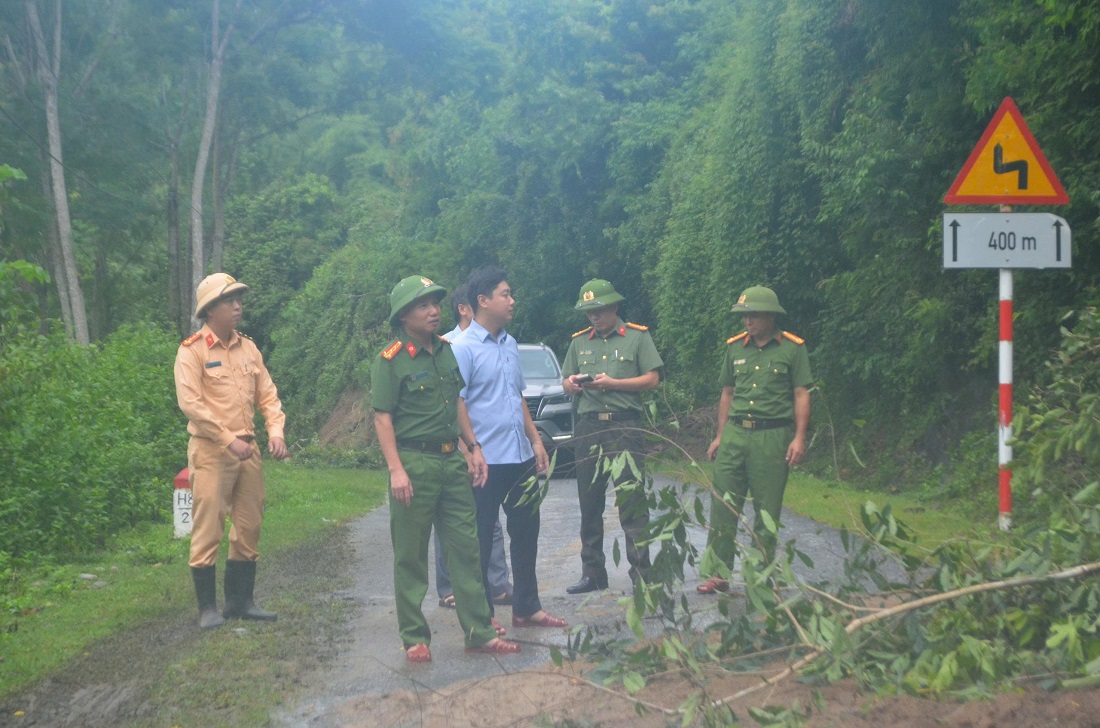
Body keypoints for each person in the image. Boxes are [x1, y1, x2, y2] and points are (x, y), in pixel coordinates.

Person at [371, 275, 519, 662]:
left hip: (451, 460)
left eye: (436, 303)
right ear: (404, 315)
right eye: (423, 305)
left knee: (467, 549)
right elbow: (383, 418)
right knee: (411, 554)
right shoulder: (391, 360)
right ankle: (415, 637)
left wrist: (473, 448)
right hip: (413, 463)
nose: (434, 310)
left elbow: (456, 403)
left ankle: (479, 631)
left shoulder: (446, 351)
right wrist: (396, 470)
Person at [452, 266, 567, 629]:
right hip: (485, 460)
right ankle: (481, 617)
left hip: (517, 455)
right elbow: (455, 404)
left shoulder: (510, 343)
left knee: (526, 533)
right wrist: (470, 450)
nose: (512, 300)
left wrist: (535, 441)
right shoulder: (462, 348)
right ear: (482, 301)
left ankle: (526, 608)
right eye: (505, 294)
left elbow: (517, 397)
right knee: (480, 540)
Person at [174, 273, 290, 629]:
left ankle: (241, 602)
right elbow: (191, 404)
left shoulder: (249, 348)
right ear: (210, 310)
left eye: (239, 299)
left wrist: (275, 430)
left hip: (249, 451)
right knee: (208, 527)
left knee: (249, 525)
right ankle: (207, 608)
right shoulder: (192, 350)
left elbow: (267, 394)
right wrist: (228, 440)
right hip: (212, 450)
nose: (238, 306)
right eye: (229, 301)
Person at [697, 286, 811, 594]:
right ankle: (719, 575)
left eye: (755, 315)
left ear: (771, 316)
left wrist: (799, 438)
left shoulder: (793, 348)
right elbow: (727, 393)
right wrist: (720, 436)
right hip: (735, 433)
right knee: (723, 505)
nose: (748, 321)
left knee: (766, 509)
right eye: (745, 316)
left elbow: (801, 394)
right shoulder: (735, 348)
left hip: (773, 435)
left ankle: (760, 577)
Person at [560, 279, 664, 594]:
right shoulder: (579, 342)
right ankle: (593, 573)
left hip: (624, 426)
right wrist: (572, 384)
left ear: (614, 307)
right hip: (589, 426)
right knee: (589, 501)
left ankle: (642, 574)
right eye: (589, 311)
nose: (594, 316)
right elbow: (566, 380)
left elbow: (652, 379)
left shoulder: (637, 337)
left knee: (631, 500)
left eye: (600, 310)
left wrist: (614, 383)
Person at [434, 284, 513, 610]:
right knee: (451, 519)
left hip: (487, 447)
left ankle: (496, 584)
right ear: (466, 309)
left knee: (489, 521)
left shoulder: (500, 342)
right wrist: (465, 448)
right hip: (457, 446)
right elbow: (452, 402)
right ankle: (450, 587)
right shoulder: (448, 346)